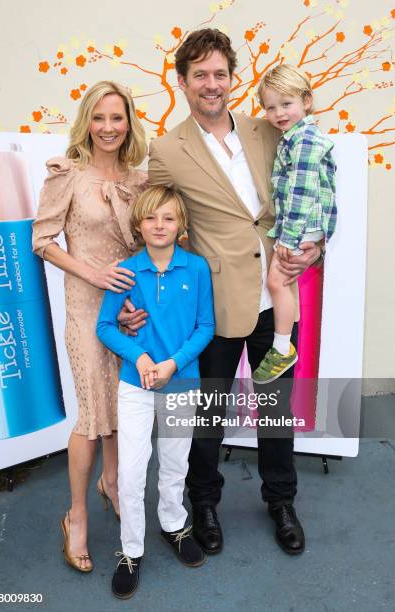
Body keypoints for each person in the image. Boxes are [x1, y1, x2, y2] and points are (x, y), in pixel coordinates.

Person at [145, 29, 325, 556]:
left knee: (275, 408)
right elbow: (150, 221)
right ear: (182, 82)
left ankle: (281, 501)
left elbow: (306, 192)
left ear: (232, 78)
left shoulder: (268, 129)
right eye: (199, 74)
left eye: (220, 73)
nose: (211, 83)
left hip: (278, 293)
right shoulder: (165, 150)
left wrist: (315, 248)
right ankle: (203, 502)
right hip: (215, 303)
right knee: (209, 415)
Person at [32, 80, 148, 572]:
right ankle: (76, 516)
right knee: (91, 414)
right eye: (99, 118)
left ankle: (114, 483)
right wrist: (94, 273)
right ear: (87, 122)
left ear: (128, 122)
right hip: (85, 306)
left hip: (129, 310)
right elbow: (43, 240)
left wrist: (134, 300)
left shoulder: (140, 178)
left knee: (123, 405)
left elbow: (149, 245)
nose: (107, 128)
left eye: (116, 118)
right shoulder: (68, 175)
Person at [96, 185, 215, 598]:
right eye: (150, 218)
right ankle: (131, 549)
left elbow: (205, 327)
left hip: (180, 383)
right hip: (135, 385)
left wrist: (172, 363)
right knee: (130, 473)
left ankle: (173, 526)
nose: (159, 225)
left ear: (181, 224)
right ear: (138, 224)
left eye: (168, 217)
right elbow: (106, 327)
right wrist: (142, 358)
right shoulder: (126, 271)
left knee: (174, 463)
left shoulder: (197, 269)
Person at [252, 64, 336, 384]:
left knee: (276, 283)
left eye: (286, 104)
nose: (278, 113)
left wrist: (287, 239)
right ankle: (283, 345)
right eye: (271, 107)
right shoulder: (294, 137)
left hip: (302, 227)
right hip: (299, 226)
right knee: (281, 284)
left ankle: (282, 347)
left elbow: (301, 192)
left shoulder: (304, 141)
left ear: (307, 101)